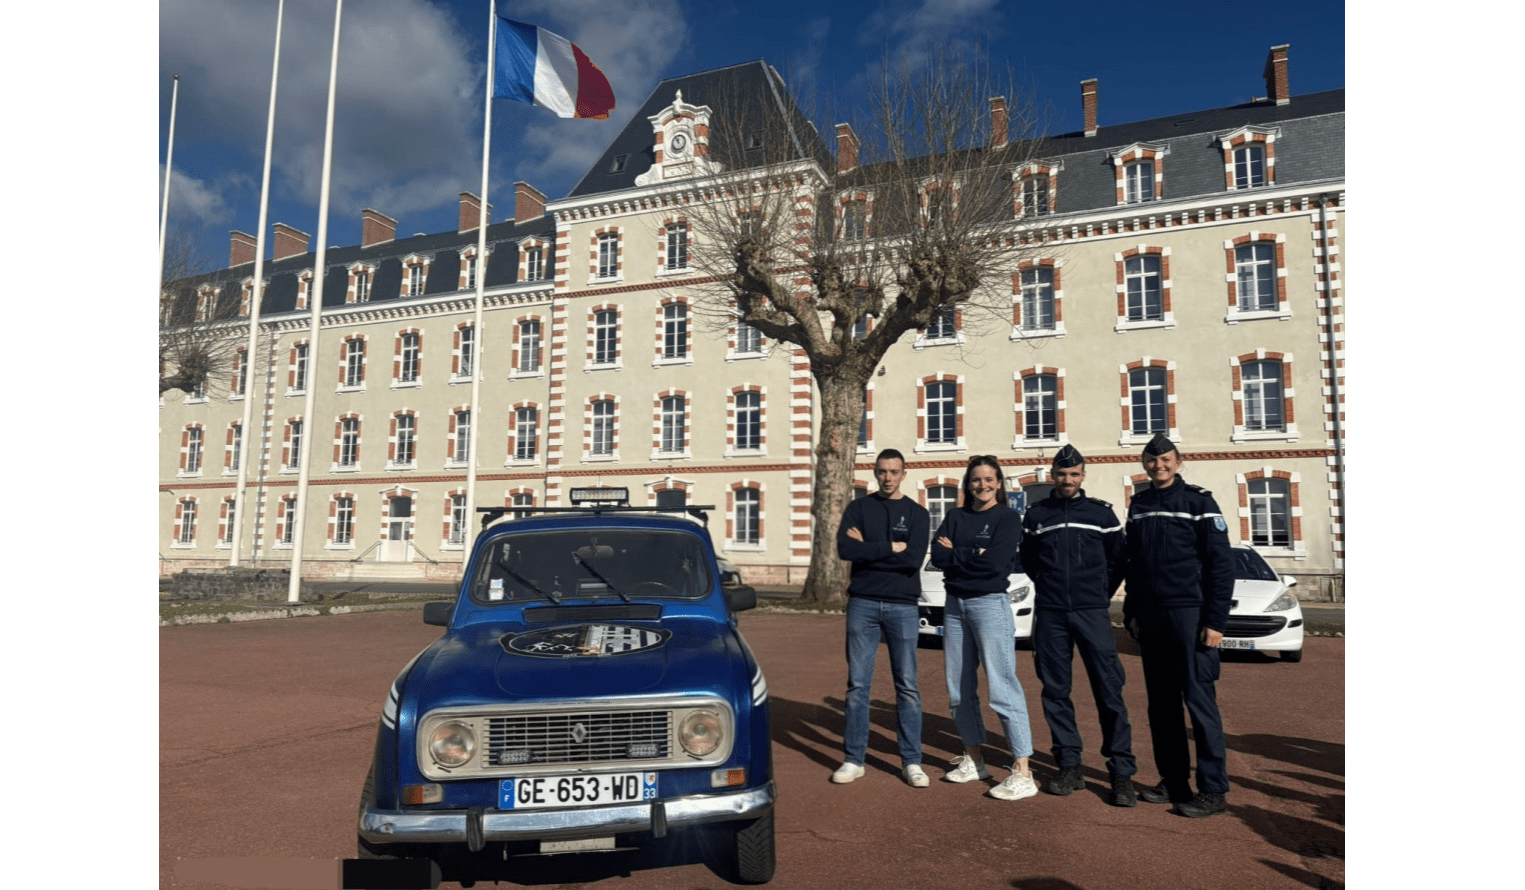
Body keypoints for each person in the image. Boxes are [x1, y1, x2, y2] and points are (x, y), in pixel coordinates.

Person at [1122, 435, 1236, 818]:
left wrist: (1216, 621)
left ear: (1178, 462)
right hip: (1153, 617)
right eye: (1152, 461)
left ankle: (1213, 789)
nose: (1159, 466)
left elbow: (1221, 565)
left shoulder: (1199, 502)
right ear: (1145, 463)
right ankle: (1174, 781)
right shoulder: (1139, 504)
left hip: (1189, 614)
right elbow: (1135, 564)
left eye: (1166, 460)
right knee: (1162, 707)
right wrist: (1132, 612)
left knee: (1200, 703)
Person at [1021, 444, 1138, 807]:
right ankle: (1069, 765)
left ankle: (1121, 772)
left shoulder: (1101, 514)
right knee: (1056, 690)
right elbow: (1028, 559)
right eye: (1061, 474)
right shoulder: (1037, 514)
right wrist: (1052, 585)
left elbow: (1118, 560)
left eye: (1074, 474)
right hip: (1052, 612)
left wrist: (1098, 594)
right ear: (1052, 475)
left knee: (1109, 691)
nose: (1068, 480)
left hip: (1091, 612)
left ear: (1083, 476)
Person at [929, 455, 1038, 801]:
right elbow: (937, 556)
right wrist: (972, 552)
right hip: (954, 605)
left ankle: (1023, 770)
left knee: (1002, 686)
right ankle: (974, 759)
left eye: (990, 479)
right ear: (968, 484)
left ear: (999, 483)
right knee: (959, 688)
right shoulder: (955, 516)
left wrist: (959, 553)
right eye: (976, 480)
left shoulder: (1007, 518)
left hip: (990, 604)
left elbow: (994, 563)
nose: (983, 485)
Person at [833, 448, 932, 787]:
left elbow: (913, 560)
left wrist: (871, 548)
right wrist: (892, 547)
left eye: (894, 471)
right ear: (874, 472)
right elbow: (846, 551)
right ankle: (853, 758)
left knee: (907, 685)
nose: (887, 477)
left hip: (903, 605)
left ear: (904, 473)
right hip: (862, 604)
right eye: (882, 471)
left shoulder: (918, 514)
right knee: (858, 685)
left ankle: (912, 760)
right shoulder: (858, 508)